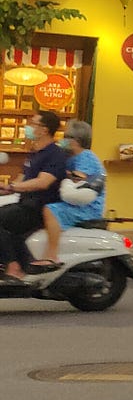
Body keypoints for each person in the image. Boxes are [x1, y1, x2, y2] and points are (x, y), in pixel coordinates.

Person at [0, 110, 73, 279]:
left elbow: (43, 182)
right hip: (24, 203)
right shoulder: (35, 153)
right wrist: (7, 187)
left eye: (33, 124)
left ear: (44, 130)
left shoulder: (55, 154)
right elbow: (22, 179)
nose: (29, 127)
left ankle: (13, 267)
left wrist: (15, 186)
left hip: (38, 207)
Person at [38, 121, 108, 263]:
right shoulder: (71, 157)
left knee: (50, 210)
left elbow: (78, 179)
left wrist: (61, 175)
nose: (63, 140)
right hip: (76, 202)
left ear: (75, 140)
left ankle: (51, 255)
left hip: (86, 206)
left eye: (66, 137)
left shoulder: (86, 157)